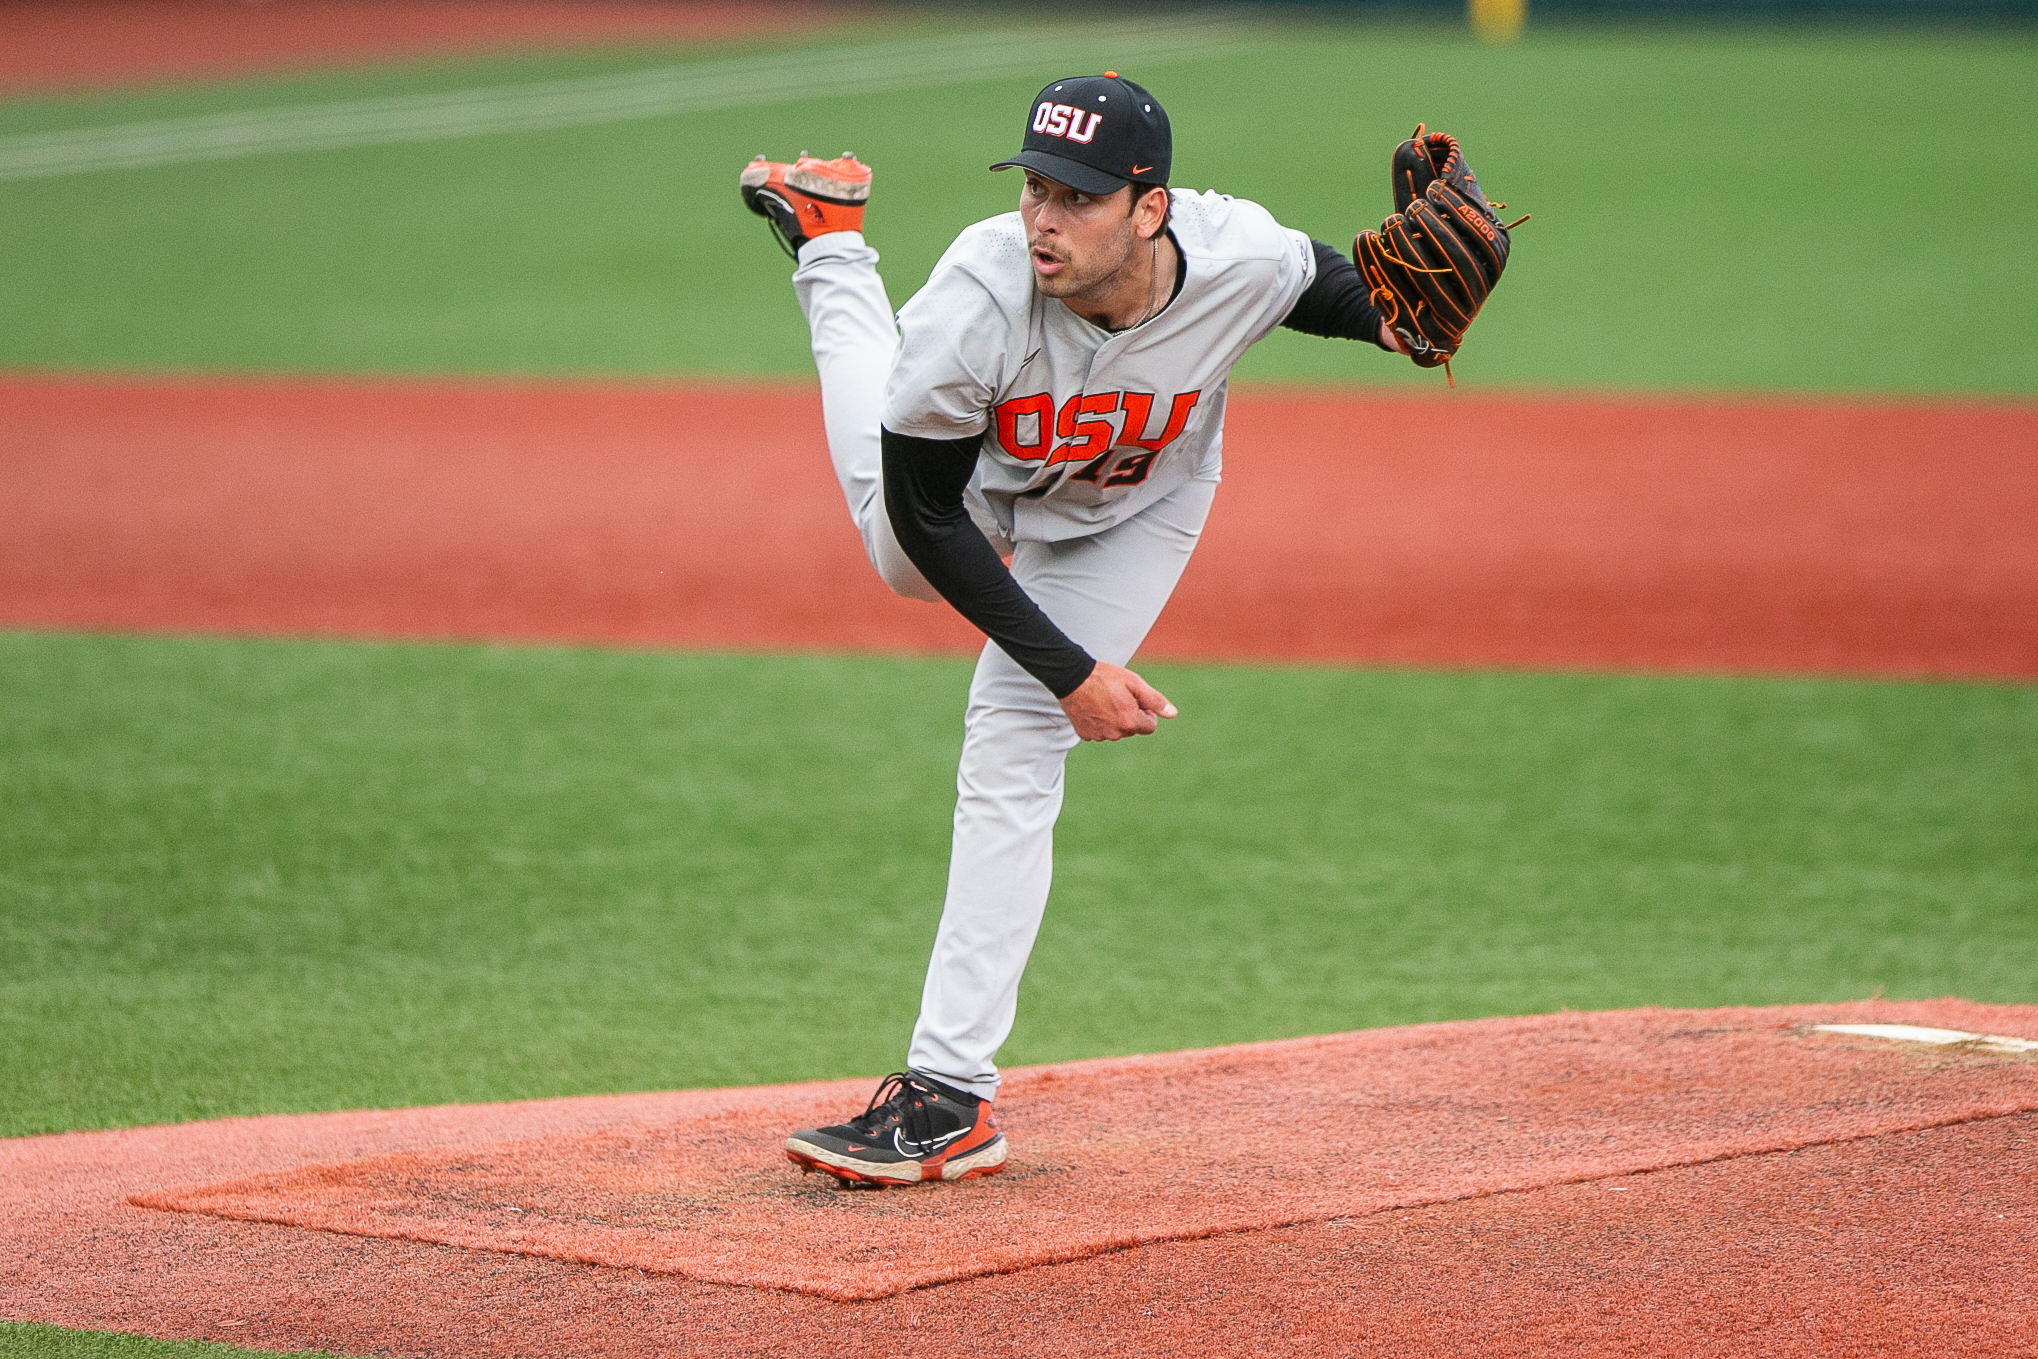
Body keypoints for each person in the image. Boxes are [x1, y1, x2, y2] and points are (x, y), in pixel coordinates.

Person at [739, 72, 1404, 1186]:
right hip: (967, 494)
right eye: (1036, 189)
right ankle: (830, 246)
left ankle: (947, 1096)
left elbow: (1353, 300)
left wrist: (1410, 327)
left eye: (1078, 198)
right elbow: (927, 515)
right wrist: (1069, 671)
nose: (1044, 219)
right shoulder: (979, 296)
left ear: (1150, 207)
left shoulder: (1237, 254)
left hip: (1131, 502)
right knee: (890, 547)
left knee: (1008, 738)